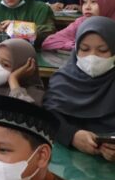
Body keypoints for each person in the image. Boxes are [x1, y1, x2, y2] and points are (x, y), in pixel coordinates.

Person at [43, 17, 115, 162]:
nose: (92, 57)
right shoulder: (62, 80)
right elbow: (49, 115)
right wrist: (72, 136)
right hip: (67, 160)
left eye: (102, 50)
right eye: (84, 49)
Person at [43, 0, 115, 51]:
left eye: (94, 1)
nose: (87, 7)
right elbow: (49, 42)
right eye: (84, 2)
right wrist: (76, 45)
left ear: (109, 4)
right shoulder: (82, 22)